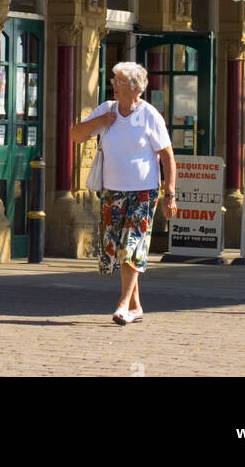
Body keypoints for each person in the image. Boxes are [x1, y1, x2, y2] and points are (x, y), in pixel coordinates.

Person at [71, 60, 177, 325]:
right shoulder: (107, 109)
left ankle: (121, 306)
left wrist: (170, 193)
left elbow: (167, 156)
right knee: (119, 249)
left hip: (144, 192)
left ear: (135, 87)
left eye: (119, 81)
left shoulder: (149, 115)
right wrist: (101, 120)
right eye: (113, 81)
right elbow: (75, 135)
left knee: (131, 246)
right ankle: (136, 307)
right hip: (112, 192)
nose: (114, 86)